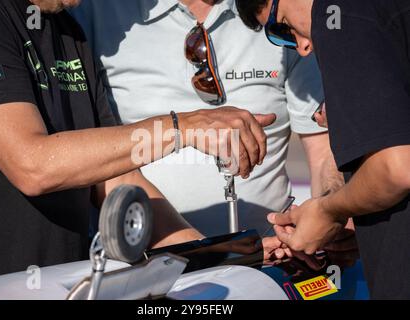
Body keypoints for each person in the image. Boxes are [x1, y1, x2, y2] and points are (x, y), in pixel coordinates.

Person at [0, 0, 278, 282]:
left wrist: (218, 259)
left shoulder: (69, 31)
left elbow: (115, 179)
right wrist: (184, 127)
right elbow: (32, 166)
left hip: (64, 284)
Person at [72, 0, 356, 265]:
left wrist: (331, 212)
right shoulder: (92, 11)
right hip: (141, 268)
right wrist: (209, 252)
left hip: (272, 265)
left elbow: (324, 150)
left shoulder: (273, 8)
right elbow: (90, 163)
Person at [236, 0, 410, 298]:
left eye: (284, 27)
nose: (303, 46)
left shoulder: (337, 14)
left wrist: (329, 211)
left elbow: (397, 170)